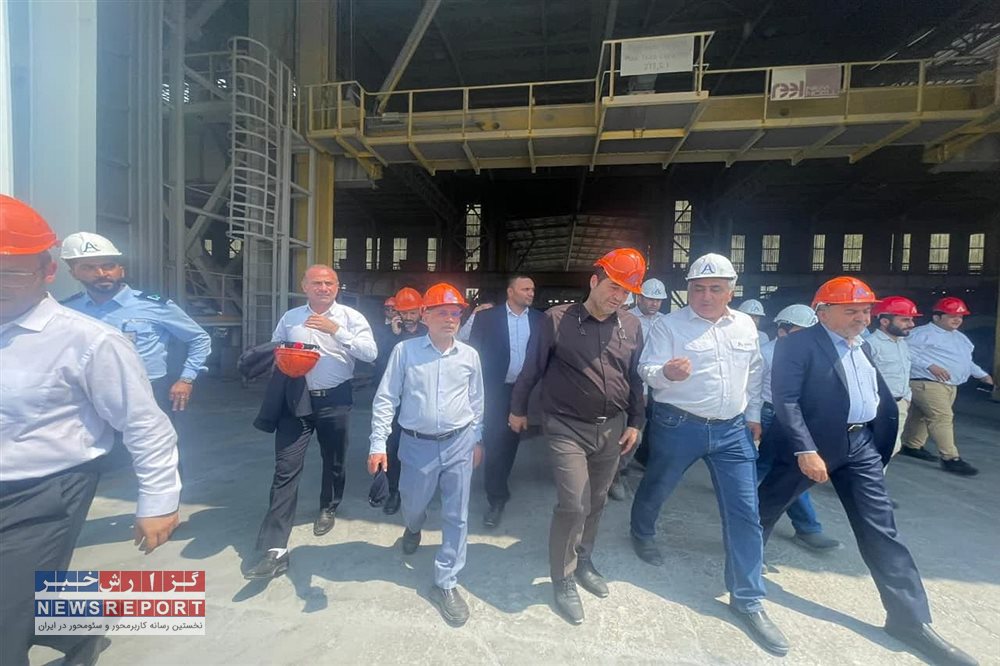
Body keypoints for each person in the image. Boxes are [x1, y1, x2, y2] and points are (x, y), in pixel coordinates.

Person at [757, 277, 978, 666]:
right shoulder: (798, 345)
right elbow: (786, 400)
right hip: (812, 447)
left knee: (882, 529)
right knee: (764, 510)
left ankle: (909, 620)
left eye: (865, 311)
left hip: (860, 446)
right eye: (852, 311)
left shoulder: (864, 345)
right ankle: (744, 579)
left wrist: (875, 442)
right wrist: (806, 449)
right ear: (823, 312)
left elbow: (873, 393)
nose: (862, 318)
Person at [0, 195, 181, 666]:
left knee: (3, 625)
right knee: (21, 597)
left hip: (43, 492)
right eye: (91, 267)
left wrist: (158, 500)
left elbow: (144, 421)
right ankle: (85, 627)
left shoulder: (89, 339)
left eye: (9, 272)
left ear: (47, 271)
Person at [629, 253, 788, 656]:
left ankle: (748, 599)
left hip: (732, 430)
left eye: (715, 288)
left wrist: (753, 415)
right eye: (698, 288)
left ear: (730, 291)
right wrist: (666, 373)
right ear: (688, 290)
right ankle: (642, 531)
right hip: (678, 425)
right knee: (658, 484)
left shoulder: (746, 326)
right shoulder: (670, 325)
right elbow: (646, 368)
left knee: (745, 511)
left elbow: (755, 373)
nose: (705, 295)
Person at [509, 248, 646, 625]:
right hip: (565, 426)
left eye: (626, 291)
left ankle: (583, 559)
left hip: (612, 427)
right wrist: (517, 409)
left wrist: (636, 421)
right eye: (614, 287)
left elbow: (634, 378)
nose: (619, 296)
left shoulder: (631, 325)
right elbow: (531, 368)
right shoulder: (556, 320)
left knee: (597, 500)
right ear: (594, 280)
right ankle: (563, 577)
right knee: (574, 503)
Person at [245, 265, 377, 579]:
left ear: (337, 287)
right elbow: (277, 347)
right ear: (304, 286)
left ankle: (328, 505)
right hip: (296, 398)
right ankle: (275, 550)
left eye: (329, 283)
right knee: (285, 469)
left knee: (334, 458)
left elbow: (371, 353)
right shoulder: (291, 318)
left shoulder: (351, 317)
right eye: (316, 283)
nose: (323, 288)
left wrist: (335, 330)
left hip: (336, 398)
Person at [368, 282, 485, 627]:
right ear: (425, 316)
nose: (450, 319)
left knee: (457, 514)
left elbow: (477, 401)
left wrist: (477, 438)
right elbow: (386, 398)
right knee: (413, 503)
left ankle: (446, 581)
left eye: (455, 313)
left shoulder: (469, 356)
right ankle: (413, 527)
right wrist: (378, 444)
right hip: (417, 444)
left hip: (459, 442)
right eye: (442, 312)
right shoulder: (405, 352)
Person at [60, 232, 212, 416]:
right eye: (88, 268)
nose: (101, 274)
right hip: (88, 395)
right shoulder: (67, 310)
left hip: (148, 392)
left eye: (108, 266)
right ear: (74, 274)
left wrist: (186, 379)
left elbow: (199, 338)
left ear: (121, 270)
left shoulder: (154, 305)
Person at [756, 304, 840, 551]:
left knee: (792, 473)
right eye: (799, 332)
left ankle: (807, 528)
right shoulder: (766, 353)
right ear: (782, 330)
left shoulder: (815, 353)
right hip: (767, 415)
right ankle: (746, 526)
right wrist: (752, 419)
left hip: (796, 420)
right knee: (756, 473)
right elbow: (752, 388)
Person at [467, 275, 542, 528]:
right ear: (510, 292)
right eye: (525, 289)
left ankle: (499, 480)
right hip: (495, 389)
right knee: (496, 440)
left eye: (532, 289)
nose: (531, 293)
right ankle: (496, 497)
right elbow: (474, 352)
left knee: (512, 437)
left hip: (525, 390)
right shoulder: (487, 318)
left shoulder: (540, 320)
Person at [900, 296, 993, 476]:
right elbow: (904, 352)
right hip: (926, 382)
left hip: (950, 385)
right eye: (952, 316)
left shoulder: (961, 338)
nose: (957, 320)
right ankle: (951, 458)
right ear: (937, 317)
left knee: (922, 415)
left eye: (960, 316)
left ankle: (912, 445)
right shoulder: (922, 334)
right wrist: (929, 365)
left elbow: (966, 361)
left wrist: (982, 375)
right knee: (942, 417)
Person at [609, 277, 668, 500]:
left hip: (660, 385)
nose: (654, 304)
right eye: (650, 299)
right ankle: (615, 474)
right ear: (639, 298)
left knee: (656, 433)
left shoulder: (666, 322)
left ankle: (641, 464)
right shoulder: (626, 319)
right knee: (630, 431)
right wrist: (640, 390)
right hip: (632, 384)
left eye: (658, 300)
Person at [372, 286, 428, 515]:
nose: (408, 317)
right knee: (392, 446)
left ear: (421, 311)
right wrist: (392, 337)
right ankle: (393, 490)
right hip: (396, 400)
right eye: (404, 313)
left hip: (421, 399)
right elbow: (379, 368)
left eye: (412, 312)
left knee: (420, 447)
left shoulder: (429, 332)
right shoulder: (386, 334)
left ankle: (419, 489)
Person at [866, 296, 920, 463]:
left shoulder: (902, 343)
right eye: (905, 320)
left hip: (899, 404)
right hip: (879, 405)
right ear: (884, 321)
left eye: (911, 319)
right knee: (878, 447)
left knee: (891, 447)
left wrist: (906, 397)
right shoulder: (870, 344)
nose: (911, 324)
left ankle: (875, 476)